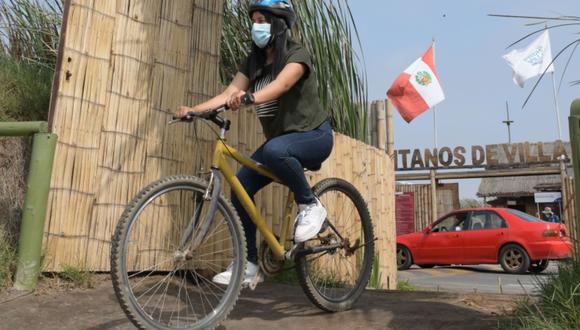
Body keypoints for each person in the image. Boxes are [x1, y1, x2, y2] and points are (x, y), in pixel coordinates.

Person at [177, 0, 333, 285]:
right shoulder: (255, 62)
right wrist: (194, 111)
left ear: (278, 24)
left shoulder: (297, 54)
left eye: (262, 20)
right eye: (254, 20)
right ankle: (248, 264)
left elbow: (282, 85)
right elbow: (229, 92)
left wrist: (251, 98)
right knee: (242, 185)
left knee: (274, 150)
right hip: (281, 143)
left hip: (314, 135)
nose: (256, 26)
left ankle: (311, 206)